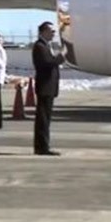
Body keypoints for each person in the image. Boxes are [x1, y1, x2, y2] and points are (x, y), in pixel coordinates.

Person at [32, 21, 66, 156]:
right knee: (43, 119)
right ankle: (42, 147)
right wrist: (60, 57)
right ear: (43, 32)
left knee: (45, 118)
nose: (53, 34)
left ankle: (42, 145)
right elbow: (47, 63)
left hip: (49, 87)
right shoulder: (40, 46)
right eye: (51, 31)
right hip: (45, 86)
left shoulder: (46, 46)